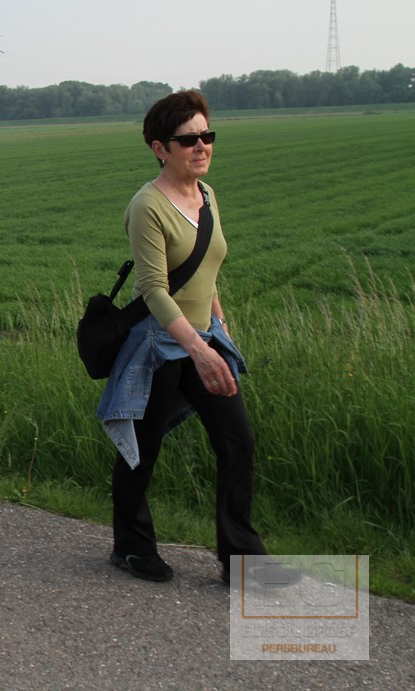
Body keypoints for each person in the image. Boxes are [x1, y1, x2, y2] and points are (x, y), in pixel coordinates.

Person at [96, 90, 270, 586]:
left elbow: (206, 275)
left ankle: (241, 560)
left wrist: (220, 333)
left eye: (206, 135)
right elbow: (154, 289)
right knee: (143, 448)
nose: (201, 146)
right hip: (159, 346)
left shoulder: (207, 195)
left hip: (203, 339)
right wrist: (197, 349)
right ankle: (131, 547)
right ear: (160, 148)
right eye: (189, 139)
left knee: (237, 441)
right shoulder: (148, 206)